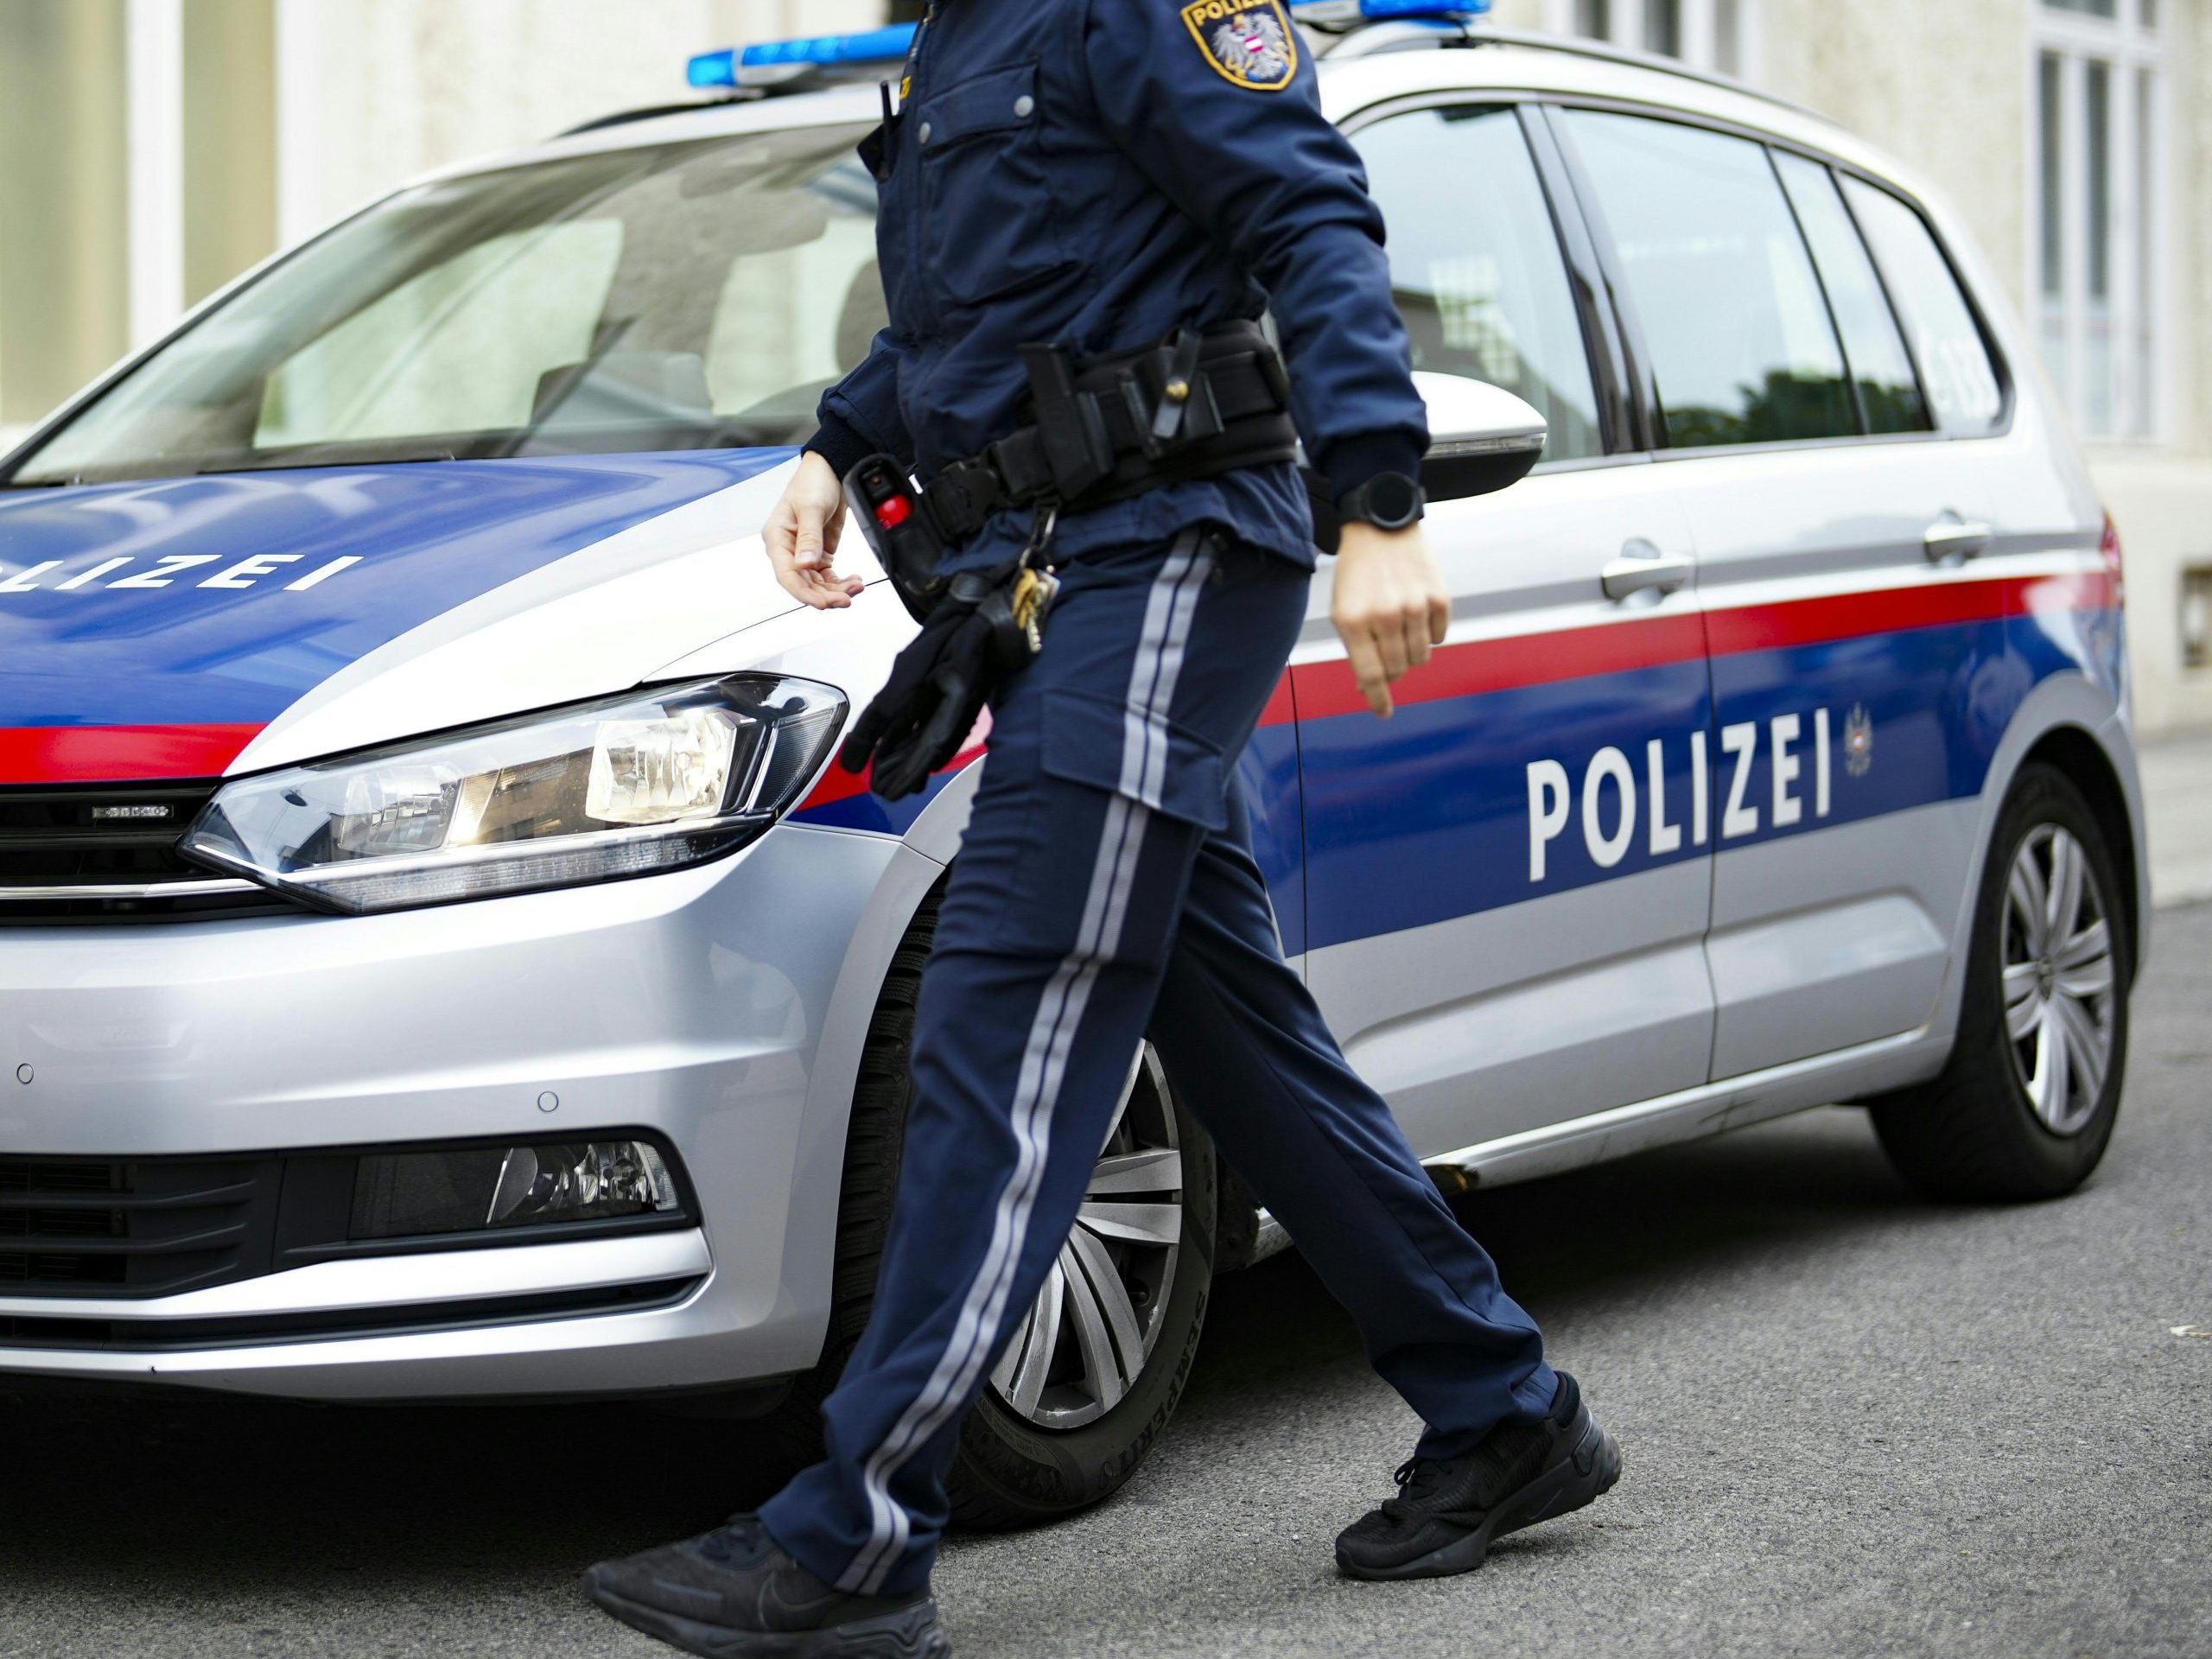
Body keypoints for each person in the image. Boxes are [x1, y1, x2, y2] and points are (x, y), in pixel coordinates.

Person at [587, 3, 1618, 1652]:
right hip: (1063, 567)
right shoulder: (961, 32)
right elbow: (1004, 302)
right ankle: (1500, 1408)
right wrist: (843, 440)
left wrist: (1379, 497)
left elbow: (1309, 211)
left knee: (1009, 1002)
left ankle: (856, 1537)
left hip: (1171, 544)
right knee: (1227, 1023)